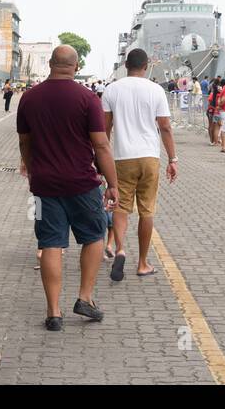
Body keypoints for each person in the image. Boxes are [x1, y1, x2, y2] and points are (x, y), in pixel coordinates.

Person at [16, 45, 118, 331]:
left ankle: (54, 312)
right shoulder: (87, 98)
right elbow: (101, 144)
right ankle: (85, 297)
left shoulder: (29, 98)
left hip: (44, 186)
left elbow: (25, 142)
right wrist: (112, 184)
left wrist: (32, 169)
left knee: (49, 243)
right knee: (95, 235)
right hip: (83, 183)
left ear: (50, 64)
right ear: (75, 66)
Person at [101, 48, 177, 280]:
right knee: (147, 211)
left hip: (122, 157)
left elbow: (105, 130)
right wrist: (173, 159)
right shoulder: (156, 90)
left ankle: (121, 248)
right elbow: (164, 126)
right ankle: (143, 263)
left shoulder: (111, 90)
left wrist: (100, 164)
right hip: (149, 157)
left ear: (126, 65)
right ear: (146, 66)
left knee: (121, 207)